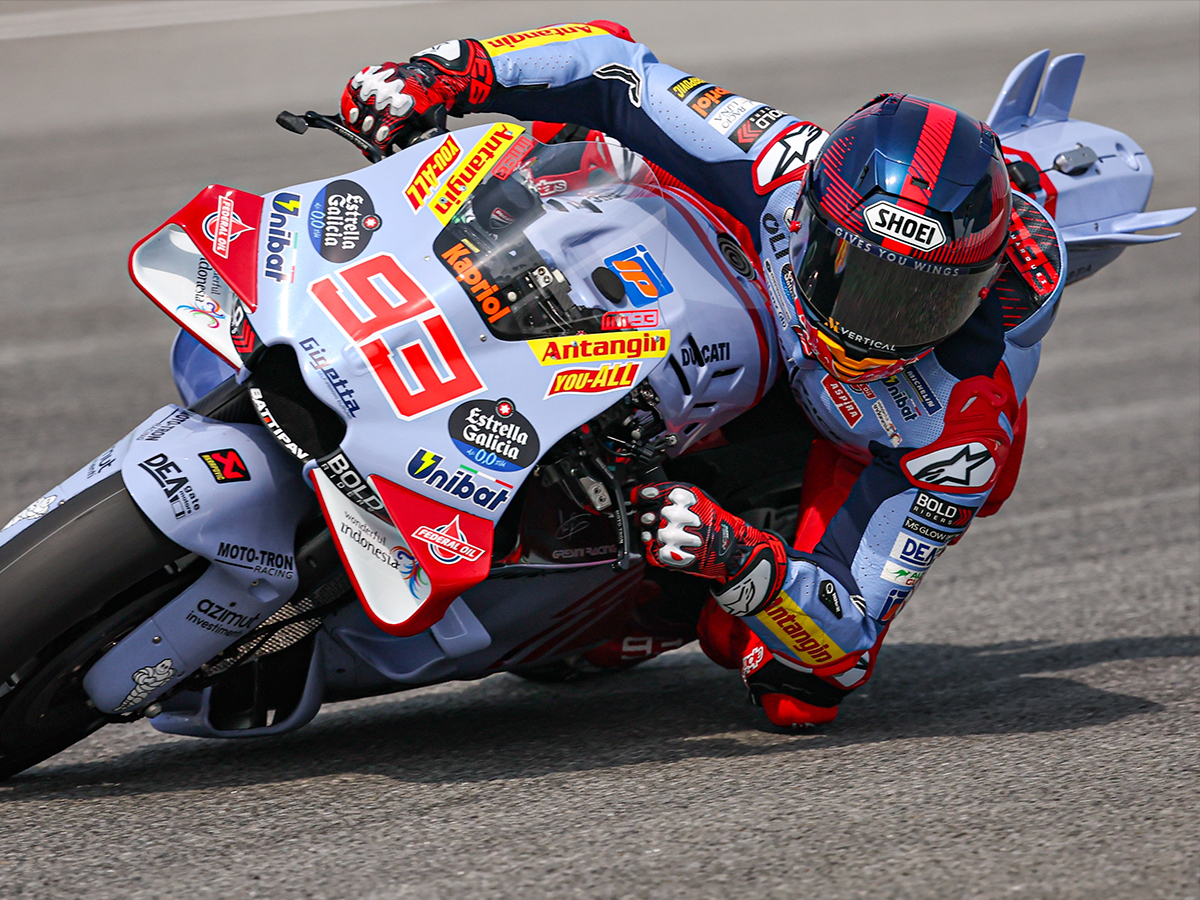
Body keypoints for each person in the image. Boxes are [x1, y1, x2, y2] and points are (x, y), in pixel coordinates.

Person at [338, 21, 1064, 728]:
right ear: (810, 216)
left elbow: (846, 648)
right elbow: (615, 69)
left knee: (793, 688)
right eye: (860, 279)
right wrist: (449, 70)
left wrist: (743, 564)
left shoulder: (959, 429)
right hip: (735, 306)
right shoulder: (781, 162)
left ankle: (637, 604)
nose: (875, 325)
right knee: (582, 145)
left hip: (860, 438)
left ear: (976, 291)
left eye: (921, 302)